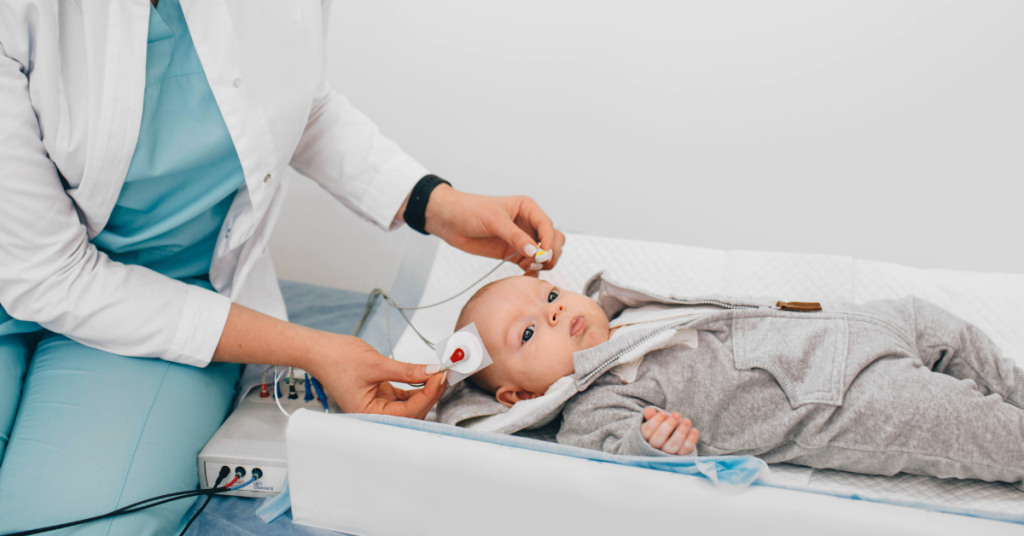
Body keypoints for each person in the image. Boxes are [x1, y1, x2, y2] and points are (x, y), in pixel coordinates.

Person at [0, 0, 564, 533]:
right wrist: (312, 350)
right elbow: (50, 275)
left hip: (177, 301)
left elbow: (293, 102)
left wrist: (435, 205)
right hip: (32, 277)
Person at [446, 273, 1024, 486]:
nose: (551, 313)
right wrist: (651, 445)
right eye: (527, 335)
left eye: (549, 296)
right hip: (845, 398)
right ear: (518, 395)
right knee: (978, 428)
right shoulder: (596, 402)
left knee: (964, 341)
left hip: (860, 323)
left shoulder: (628, 309)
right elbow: (611, 458)